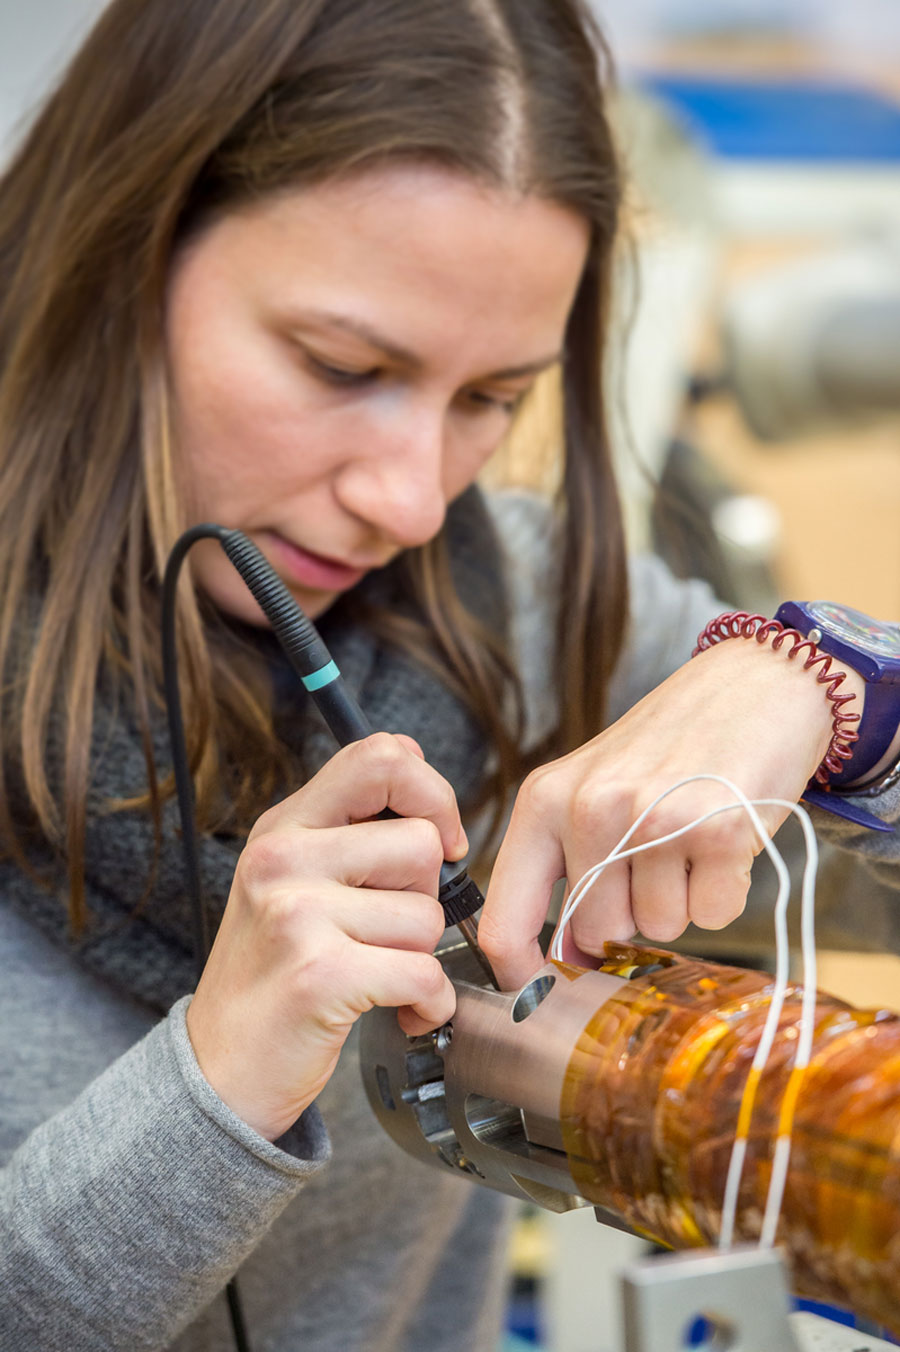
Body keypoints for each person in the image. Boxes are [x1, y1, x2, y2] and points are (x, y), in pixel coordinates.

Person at [1, 1, 898, 1349]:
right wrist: (217, 1080)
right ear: (121, 252)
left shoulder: (529, 609)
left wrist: (827, 684)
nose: (412, 502)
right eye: (343, 366)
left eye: (491, 399)